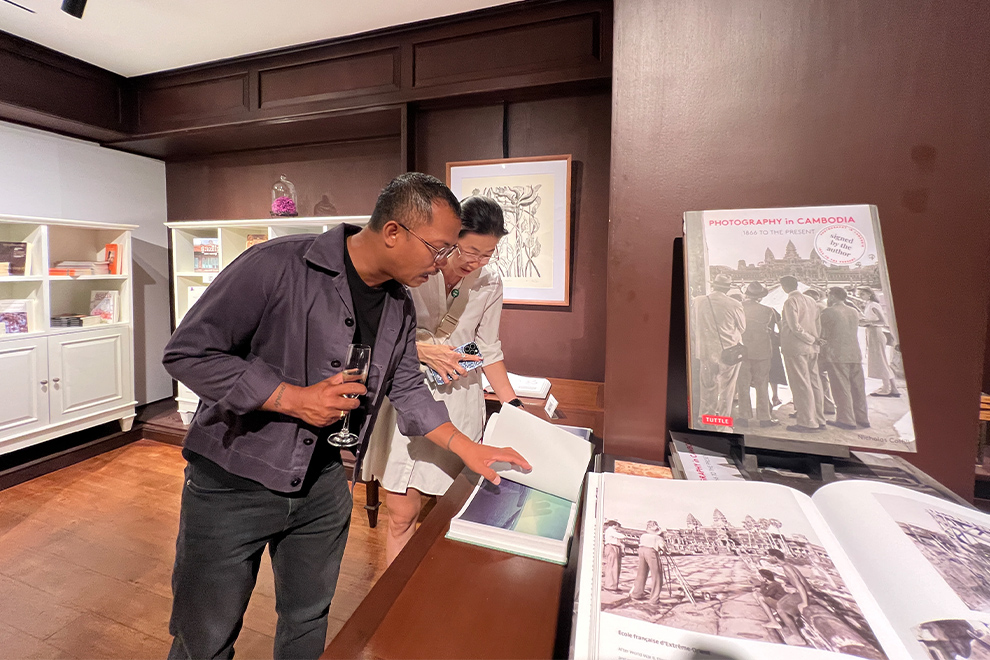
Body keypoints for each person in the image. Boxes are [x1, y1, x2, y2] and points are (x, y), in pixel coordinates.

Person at [162, 173, 531, 660]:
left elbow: (406, 387)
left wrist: (468, 447)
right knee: (204, 638)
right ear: (394, 231)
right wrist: (290, 398)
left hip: (324, 483)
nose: (443, 262)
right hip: (232, 481)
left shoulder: (398, 303)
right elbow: (188, 353)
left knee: (307, 621)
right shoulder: (277, 264)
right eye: (439, 248)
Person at [363, 195, 523, 564]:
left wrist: (513, 405)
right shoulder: (415, 270)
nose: (475, 262)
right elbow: (376, 336)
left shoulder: (489, 282)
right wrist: (421, 351)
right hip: (407, 395)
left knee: (452, 511)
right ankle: (398, 595)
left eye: (487, 254)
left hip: (459, 399)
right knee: (401, 513)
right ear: (451, 238)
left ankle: (440, 590)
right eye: (469, 251)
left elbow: (488, 348)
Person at [692, 273, 746, 425]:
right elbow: (742, 328)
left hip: (706, 352)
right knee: (726, 390)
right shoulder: (734, 304)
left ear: (713, 285)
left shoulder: (698, 301)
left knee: (708, 388)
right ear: (728, 288)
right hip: (728, 352)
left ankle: (705, 421)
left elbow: (694, 325)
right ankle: (721, 424)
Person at [819, 287, 870, 430]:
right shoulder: (853, 311)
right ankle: (862, 418)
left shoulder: (828, 312)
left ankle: (846, 419)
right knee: (858, 387)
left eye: (828, 295)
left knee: (841, 387)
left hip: (837, 354)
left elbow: (822, 333)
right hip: (854, 353)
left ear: (833, 296)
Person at [779, 276, 825, 432]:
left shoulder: (790, 301)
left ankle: (807, 422)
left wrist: (811, 339)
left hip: (797, 347)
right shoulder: (811, 301)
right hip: (812, 348)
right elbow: (817, 324)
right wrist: (816, 339)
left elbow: (795, 327)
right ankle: (819, 418)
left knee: (801, 384)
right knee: (814, 383)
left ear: (784, 287)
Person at [735, 281, 778, 428]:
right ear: (761, 296)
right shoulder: (768, 310)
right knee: (762, 384)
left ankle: (743, 417)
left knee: (743, 384)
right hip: (762, 350)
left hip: (743, 350)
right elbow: (771, 331)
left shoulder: (739, 308)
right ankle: (765, 418)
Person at [856, 286, 900, 397]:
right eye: (859, 294)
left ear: (869, 294)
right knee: (881, 361)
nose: (860, 296)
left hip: (876, 333)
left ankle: (887, 388)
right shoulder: (869, 305)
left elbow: (882, 321)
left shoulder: (874, 305)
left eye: (862, 294)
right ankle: (891, 388)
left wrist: (868, 323)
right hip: (871, 333)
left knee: (881, 361)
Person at [629, 521, 667, 605]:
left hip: (641, 551)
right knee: (657, 575)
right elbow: (663, 547)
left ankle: (636, 594)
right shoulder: (658, 538)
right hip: (651, 552)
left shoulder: (643, 536)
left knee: (641, 573)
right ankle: (654, 599)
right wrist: (665, 549)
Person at [603, 520, 627, 592]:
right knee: (613, 566)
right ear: (613, 525)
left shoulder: (611, 531)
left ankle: (613, 585)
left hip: (613, 547)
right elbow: (622, 536)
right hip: (612, 547)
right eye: (617, 525)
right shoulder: (611, 531)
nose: (617, 527)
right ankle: (610, 585)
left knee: (614, 567)